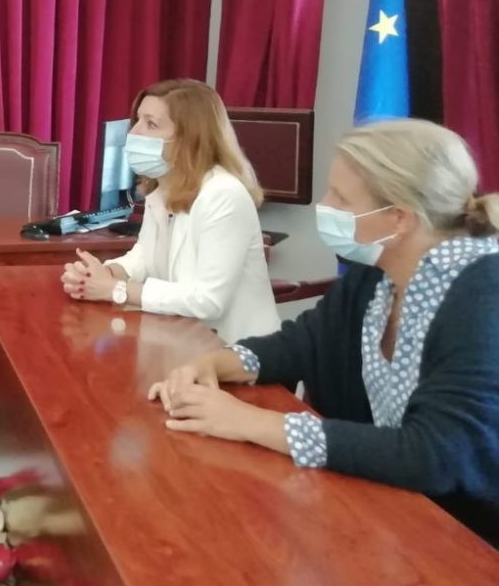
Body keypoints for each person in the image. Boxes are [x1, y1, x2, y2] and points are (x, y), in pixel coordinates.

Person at [148, 120, 499, 547]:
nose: (325, 205)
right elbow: (304, 343)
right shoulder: (377, 274)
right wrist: (215, 362)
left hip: (469, 541)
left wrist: (248, 422)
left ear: (399, 219)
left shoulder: (483, 295)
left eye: (341, 197)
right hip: (392, 514)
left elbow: (436, 454)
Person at [62, 79, 280, 342]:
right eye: (138, 121)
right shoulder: (163, 188)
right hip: (178, 342)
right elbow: (143, 258)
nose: (135, 133)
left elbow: (208, 301)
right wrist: (103, 274)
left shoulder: (223, 194)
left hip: (236, 354)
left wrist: (116, 290)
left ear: (191, 137)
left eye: (151, 124)